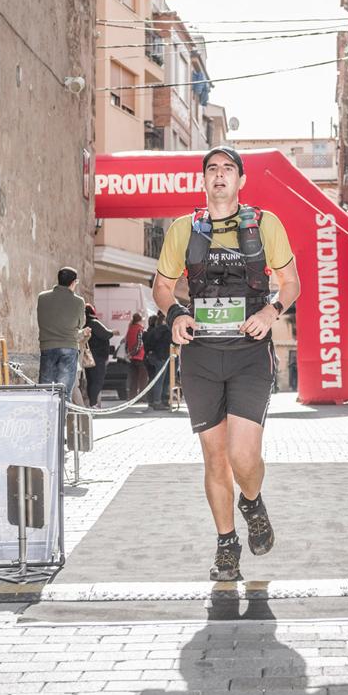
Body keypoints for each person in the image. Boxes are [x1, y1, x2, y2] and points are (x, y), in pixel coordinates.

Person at [153, 146, 300, 581]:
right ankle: (226, 545)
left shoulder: (264, 224)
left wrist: (270, 312)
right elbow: (162, 286)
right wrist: (176, 314)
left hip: (250, 355)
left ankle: (252, 502)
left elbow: (290, 282)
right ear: (203, 180)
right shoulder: (184, 229)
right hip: (200, 357)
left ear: (241, 180)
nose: (219, 175)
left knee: (242, 454)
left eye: (228, 169)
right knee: (214, 457)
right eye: (212, 169)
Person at [37, 267, 86, 392]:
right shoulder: (79, 301)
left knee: (45, 391)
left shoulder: (42, 297)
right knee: (63, 393)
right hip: (69, 346)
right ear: (73, 282)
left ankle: (47, 412)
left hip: (47, 346)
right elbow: (81, 324)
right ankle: (61, 412)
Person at [83, 304, 115, 409]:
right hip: (97, 356)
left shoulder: (84, 323)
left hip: (89, 356)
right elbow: (106, 334)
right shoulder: (94, 323)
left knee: (91, 380)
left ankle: (92, 403)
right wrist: (112, 331)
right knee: (97, 380)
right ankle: (93, 404)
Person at [143, 312, 172, 409]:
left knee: (153, 379)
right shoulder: (167, 330)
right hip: (163, 357)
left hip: (152, 357)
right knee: (161, 380)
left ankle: (151, 400)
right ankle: (158, 402)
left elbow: (147, 343)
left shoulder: (153, 330)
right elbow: (171, 343)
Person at [125, 311, 147, 400]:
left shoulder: (130, 329)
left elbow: (126, 343)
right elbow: (140, 343)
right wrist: (134, 353)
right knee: (142, 379)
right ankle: (142, 397)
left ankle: (132, 396)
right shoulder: (140, 329)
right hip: (140, 357)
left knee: (133, 379)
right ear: (140, 320)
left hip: (132, 358)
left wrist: (129, 354)